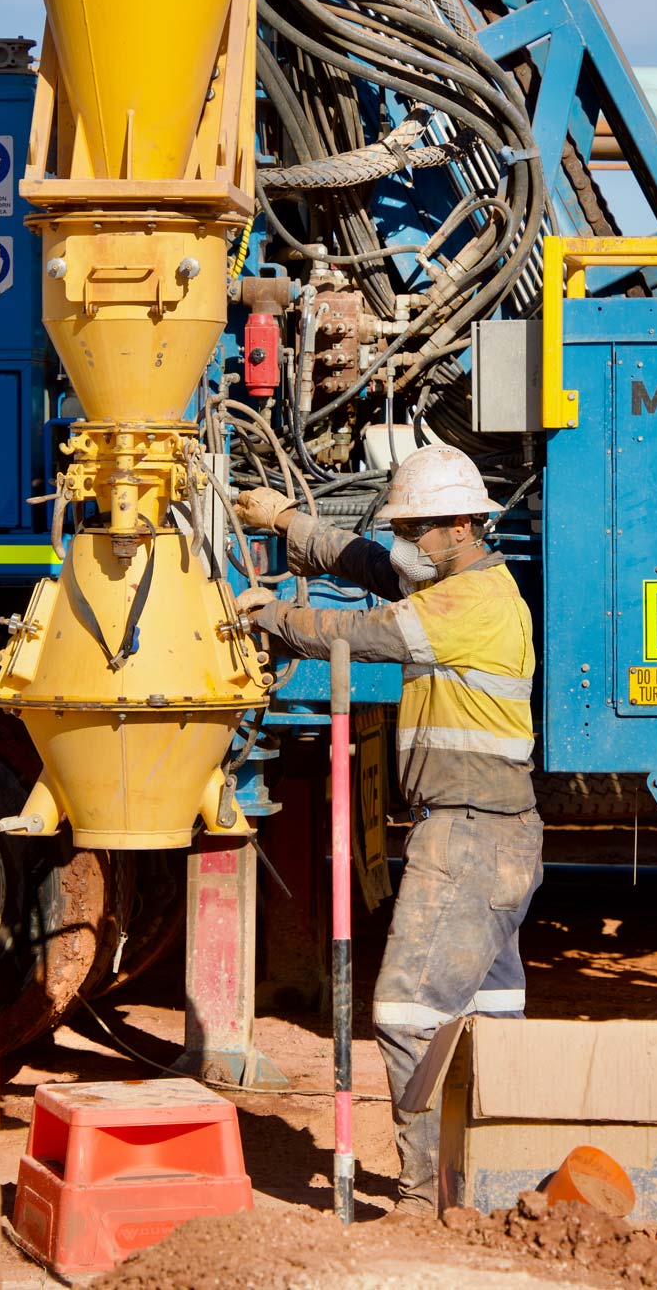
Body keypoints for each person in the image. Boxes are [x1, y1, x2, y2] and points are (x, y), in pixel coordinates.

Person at [233, 444, 540, 1215]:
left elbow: (364, 633)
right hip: (500, 836)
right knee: (488, 1019)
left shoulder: (465, 605)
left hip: (468, 840)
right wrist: (288, 523)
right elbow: (371, 563)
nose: (408, 542)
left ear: (462, 527)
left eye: (418, 530)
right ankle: (494, 1183)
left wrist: (270, 616)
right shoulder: (466, 577)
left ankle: (427, 1193)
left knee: (407, 1010)